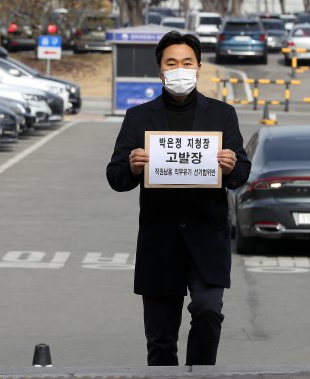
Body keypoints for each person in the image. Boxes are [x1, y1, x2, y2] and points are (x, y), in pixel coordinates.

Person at [106, 31, 251, 366]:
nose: (180, 69)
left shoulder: (222, 115)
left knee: (208, 310)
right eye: (171, 63)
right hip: (160, 240)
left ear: (199, 67)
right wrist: (132, 167)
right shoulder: (139, 117)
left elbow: (241, 172)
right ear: (160, 69)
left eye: (187, 62)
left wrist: (230, 167)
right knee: (160, 341)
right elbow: (115, 177)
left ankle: (200, 372)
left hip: (207, 238)